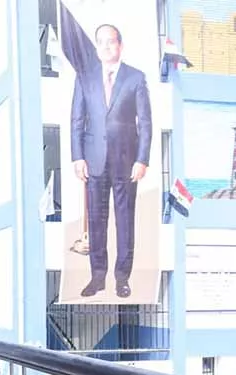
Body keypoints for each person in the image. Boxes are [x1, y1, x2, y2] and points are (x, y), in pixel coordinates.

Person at [71, 23, 152, 298]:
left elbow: (146, 123)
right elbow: (77, 119)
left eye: (111, 41)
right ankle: (97, 277)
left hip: (127, 162)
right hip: (94, 160)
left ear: (120, 45)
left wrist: (142, 159)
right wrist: (78, 157)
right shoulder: (85, 78)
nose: (106, 46)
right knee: (96, 220)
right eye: (101, 42)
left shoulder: (136, 78)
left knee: (125, 221)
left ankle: (122, 278)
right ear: (97, 47)